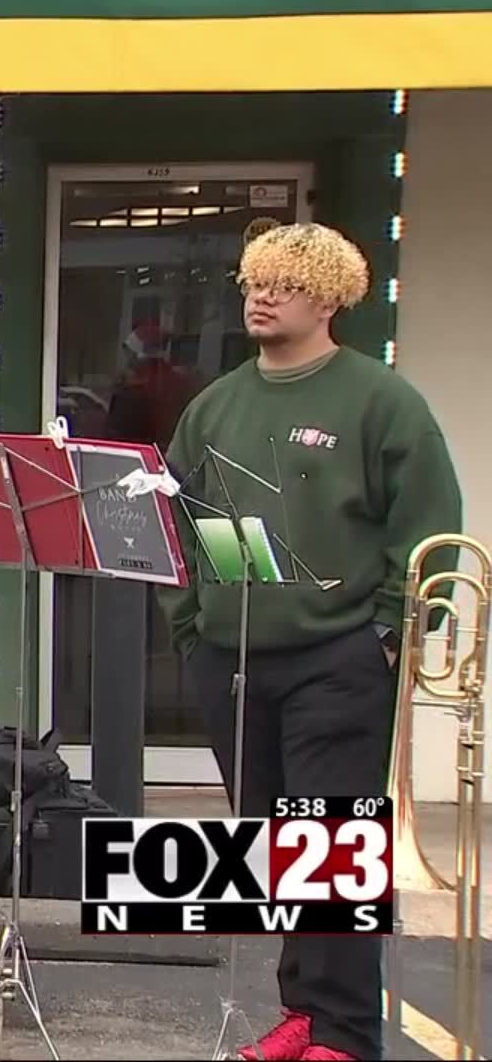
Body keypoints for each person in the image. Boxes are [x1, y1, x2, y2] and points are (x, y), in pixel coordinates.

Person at [159, 222, 462, 1062]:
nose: (261, 294)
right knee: (277, 846)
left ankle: (349, 1035)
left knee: (332, 844)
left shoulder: (380, 399)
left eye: (284, 283)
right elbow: (178, 524)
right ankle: (306, 1013)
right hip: (234, 657)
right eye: (255, 280)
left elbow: (429, 524)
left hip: (340, 657)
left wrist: (388, 634)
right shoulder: (215, 405)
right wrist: (191, 627)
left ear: (329, 299)